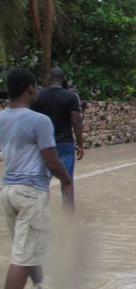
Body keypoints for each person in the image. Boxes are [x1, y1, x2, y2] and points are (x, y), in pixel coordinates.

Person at [0, 69, 72, 289]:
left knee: (28, 250)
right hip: (31, 192)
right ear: (31, 89)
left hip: (7, 190)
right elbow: (52, 161)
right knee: (23, 257)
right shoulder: (39, 121)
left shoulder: (2, 117)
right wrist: (67, 181)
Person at [31, 67, 84, 209]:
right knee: (66, 181)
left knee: (42, 181)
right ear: (63, 78)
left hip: (44, 145)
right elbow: (76, 122)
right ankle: (68, 218)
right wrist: (80, 144)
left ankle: (40, 213)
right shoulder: (71, 97)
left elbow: (32, 121)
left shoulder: (38, 96)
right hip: (65, 144)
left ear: (49, 78)